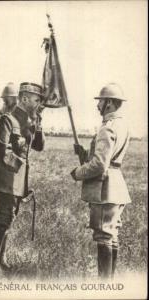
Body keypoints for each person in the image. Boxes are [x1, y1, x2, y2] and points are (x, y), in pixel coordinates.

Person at [71, 83, 131, 279]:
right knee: (111, 234)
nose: (98, 105)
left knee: (104, 235)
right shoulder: (123, 125)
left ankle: (104, 285)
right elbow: (108, 158)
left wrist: (77, 172)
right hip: (117, 186)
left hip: (105, 189)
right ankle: (110, 282)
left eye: (101, 101)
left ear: (110, 104)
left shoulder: (107, 128)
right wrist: (85, 154)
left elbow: (99, 165)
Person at [0, 82, 45, 272]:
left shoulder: (28, 121)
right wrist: (15, 149)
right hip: (5, 177)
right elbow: (0, 149)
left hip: (17, 180)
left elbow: (38, 146)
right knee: (5, 216)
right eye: (36, 100)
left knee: (7, 217)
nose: (39, 105)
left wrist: (39, 126)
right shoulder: (7, 119)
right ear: (24, 99)